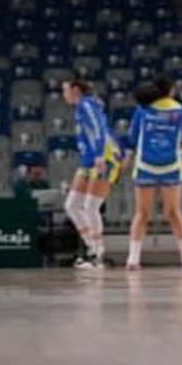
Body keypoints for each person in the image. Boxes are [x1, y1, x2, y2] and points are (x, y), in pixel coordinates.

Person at [123, 78, 182, 271]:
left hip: (145, 166)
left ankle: (133, 259)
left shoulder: (142, 110)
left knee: (141, 213)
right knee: (173, 212)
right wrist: (178, 147)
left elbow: (132, 137)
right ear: (171, 91)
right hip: (171, 167)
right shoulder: (181, 112)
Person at [61, 79, 122, 268]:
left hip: (104, 157)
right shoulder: (80, 108)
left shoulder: (87, 104)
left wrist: (99, 155)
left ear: (76, 90)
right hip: (87, 160)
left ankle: (99, 254)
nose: (63, 95)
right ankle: (91, 247)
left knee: (90, 206)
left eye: (65, 90)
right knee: (72, 205)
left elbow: (98, 130)